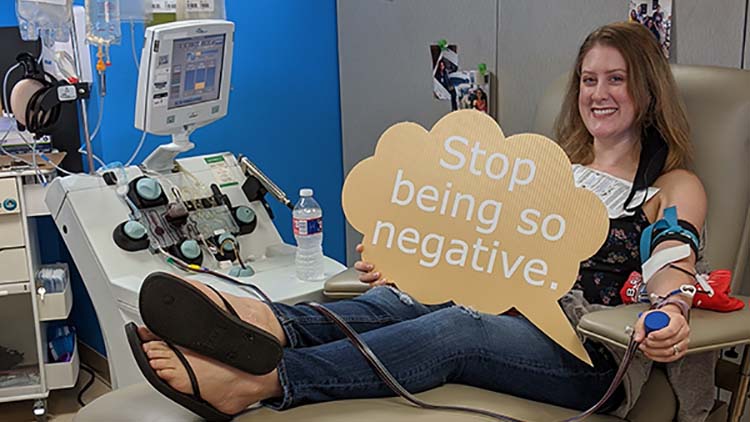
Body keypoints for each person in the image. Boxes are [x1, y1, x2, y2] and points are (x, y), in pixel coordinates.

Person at [133, 22, 708, 419]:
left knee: (458, 329)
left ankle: (265, 381)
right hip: (500, 305)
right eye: (589, 79)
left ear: (647, 90)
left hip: (585, 352)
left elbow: (672, 260)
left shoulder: (667, 186)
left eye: (616, 78)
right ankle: (264, 321)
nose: (598, 93)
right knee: (397, 302)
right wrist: (410, 259)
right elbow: (476, 238)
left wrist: (673, 309)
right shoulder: (551, 169)